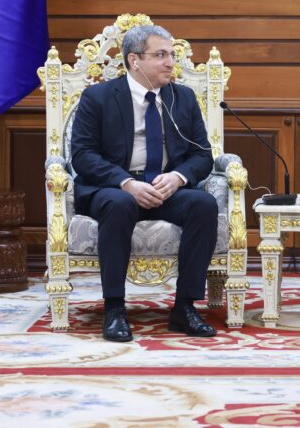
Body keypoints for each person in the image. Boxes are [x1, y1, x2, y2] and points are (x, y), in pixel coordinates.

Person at [71, 24, 219, 342]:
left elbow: (202, 155)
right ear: (134, 60)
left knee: (203, 204)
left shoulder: (183, 98)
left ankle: (184, 308)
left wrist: (178, 178)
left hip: (164, 188)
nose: (170, 63)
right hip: (114, 189)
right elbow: (82, 155)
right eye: (161, 55)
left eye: (172, 55)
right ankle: (114, 309)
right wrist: (125, 182)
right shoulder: (98, 97)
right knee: (119, 204)